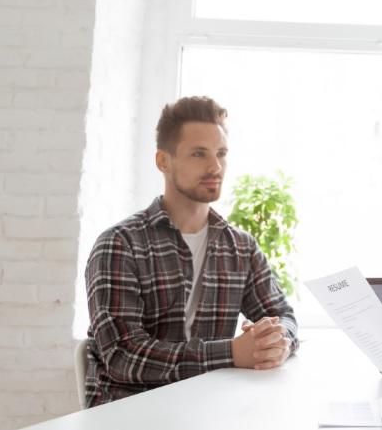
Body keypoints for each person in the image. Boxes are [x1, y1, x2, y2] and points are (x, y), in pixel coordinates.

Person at [84, 96, 298, 407]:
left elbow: (284, 317)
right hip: (130, 414)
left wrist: (277, 341)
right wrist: (233, 352)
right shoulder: (119, 244)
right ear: (163, 161)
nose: (215, 166)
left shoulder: (240, 247)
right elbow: (122, 355)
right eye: (199, 154)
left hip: (207, 411)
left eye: (221, 154)